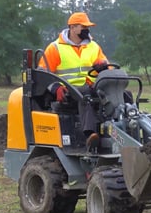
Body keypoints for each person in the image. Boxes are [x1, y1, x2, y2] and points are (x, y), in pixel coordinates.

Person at [38, 12, 110, 150]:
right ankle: (90, 134)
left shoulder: (93, 46)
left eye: (87, 27)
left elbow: (106, 64)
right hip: (68, 91)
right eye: (83, 27)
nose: (86, 30)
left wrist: (103, 66)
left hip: (91, 87)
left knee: (123, 95)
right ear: (72, 28)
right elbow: (43, 74)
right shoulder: (55, 48)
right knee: (85, 98)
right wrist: (56, 88)